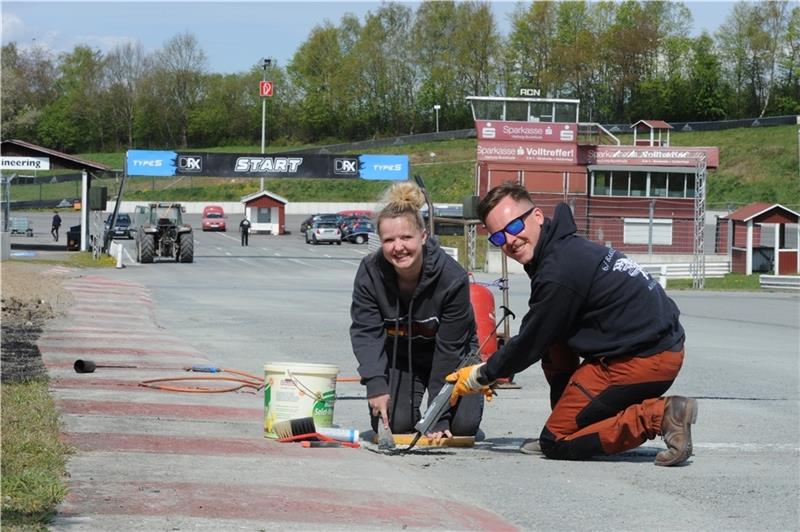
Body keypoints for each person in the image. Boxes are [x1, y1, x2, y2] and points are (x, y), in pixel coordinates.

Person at [447, 182, 697, 466]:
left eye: (514, 227)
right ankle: (570, 419)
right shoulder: (564, 248)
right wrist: (498, 368)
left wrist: (481, 375)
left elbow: (530, 340)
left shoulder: (558, 270)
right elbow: (543, 333)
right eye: (498, 237)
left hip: (644, 359)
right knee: (554, 343)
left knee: (557, 443)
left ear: (537, 216)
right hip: (648, 346)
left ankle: (660, 416)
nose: (509, 241)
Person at [350, 182, 484, 443]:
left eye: (406, 238)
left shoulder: (452, 277)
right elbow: (366, 332)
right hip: (402, 355)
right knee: (397, 425)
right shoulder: (370, 272)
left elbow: (449, 350)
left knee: (462, 427)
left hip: (453, 358)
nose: (398, 246)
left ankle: (461, 411)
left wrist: (438, 413)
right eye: (389, 240)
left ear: (423, 236)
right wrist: (376, 383)